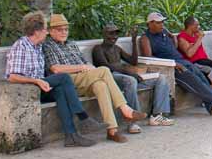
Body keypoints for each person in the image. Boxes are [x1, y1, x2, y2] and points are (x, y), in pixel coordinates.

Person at [43, 14, 147, 143]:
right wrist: (81, 67)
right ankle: (125, 109)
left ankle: (112, 130)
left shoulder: (72, 44)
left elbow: (86, 63)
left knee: (100, 85)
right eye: (60, 29)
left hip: (83, 79)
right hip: (66, 81)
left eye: (66, 29)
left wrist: (88, 67)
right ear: (50, 31)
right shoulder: (48, 46)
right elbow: (56, 69)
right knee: (104, 70)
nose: (64, 32)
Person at [6, 12, 101, 147]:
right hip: (28, 88)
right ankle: (82, 116)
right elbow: (12, 76)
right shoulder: (21, 46)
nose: (47, 33)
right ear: (37, 31)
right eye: (45, 30)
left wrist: (41, 81)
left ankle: (71, 136)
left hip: (41, 86)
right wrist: (37, 81)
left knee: (61, 90)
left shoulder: (38, 46)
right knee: (64, 77)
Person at [139, 12, 212, 116]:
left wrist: (172, 38)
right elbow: (149, 58)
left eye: (163, 22)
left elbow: (173, 48)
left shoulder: (164, 32)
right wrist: (172, 64)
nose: (162, 25)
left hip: (181, 60)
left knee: (200, 75)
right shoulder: (146, 38)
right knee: (192, 79)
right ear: (150, 23)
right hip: (170, 66)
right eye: (158, 23)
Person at [92, 23, 175, 132]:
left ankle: (157, 115)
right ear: (104, 34)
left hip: (126, 76)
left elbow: (133, 61)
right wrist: (130, 73)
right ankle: (132, 122)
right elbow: (106, 67)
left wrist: (133, 41)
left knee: (161, 78)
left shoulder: (117, 48)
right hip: (110, 78)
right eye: (110, 33)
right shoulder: (98, 49)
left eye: (116, 33)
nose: (114, 36)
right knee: (130, 80)